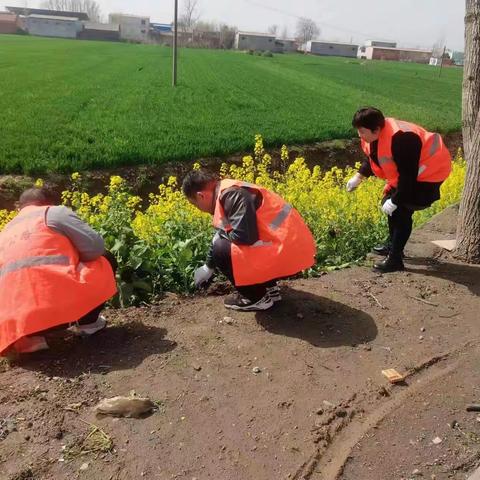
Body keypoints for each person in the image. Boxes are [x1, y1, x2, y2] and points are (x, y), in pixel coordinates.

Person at [0, 187, 117, 355]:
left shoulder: (5, 230)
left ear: (20, 207)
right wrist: (73, 255)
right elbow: (95, 247)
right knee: (105, 258)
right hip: (59, 311)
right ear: (49, 202)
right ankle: (89, 324)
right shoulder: (53, 212)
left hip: (19, 321)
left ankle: (32, 340)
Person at [182, 171, 316, 311]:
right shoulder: (229, 189)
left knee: (221, 249)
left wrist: (213, 256)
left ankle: (256, 298)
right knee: (229, 242)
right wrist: (208, 265)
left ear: (201, 195)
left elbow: (244, 237)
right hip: (293, 246)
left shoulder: (232, 195)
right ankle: (270, 289)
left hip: (286, 249)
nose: (199, 209)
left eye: (195, 205)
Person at [346, 107, 452, 273]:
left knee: (401, 210)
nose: (359, 135)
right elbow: (374, 157)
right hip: (409, 176)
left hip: (427, 175)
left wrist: (395, 200)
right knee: (389, 205)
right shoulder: (374, 135)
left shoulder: (403, 139)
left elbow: (408, 176)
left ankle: (395, 259)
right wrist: (359, 177)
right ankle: (393, 245)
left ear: (376, 129)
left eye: (362, 131)